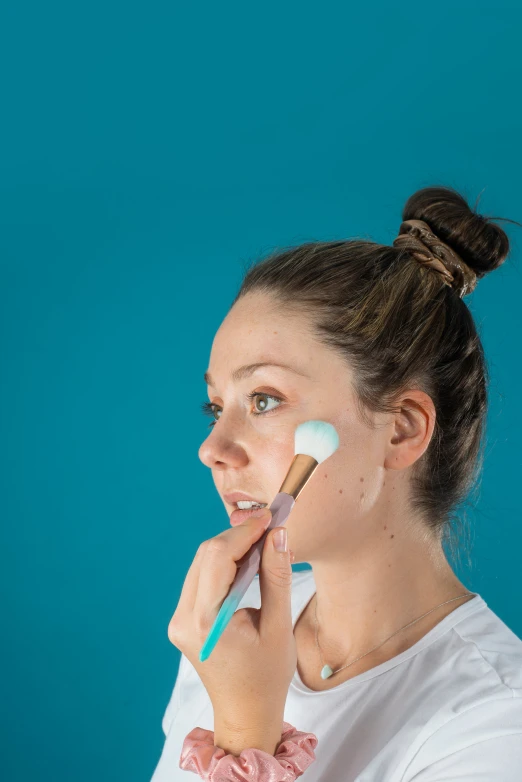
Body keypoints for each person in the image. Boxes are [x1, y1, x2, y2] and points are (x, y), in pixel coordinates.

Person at [151, 185, 522, 781]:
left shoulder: (498, 726)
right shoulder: (229, 636)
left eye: (265, 399)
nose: (212, 449)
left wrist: (247, 728)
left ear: (401, 430)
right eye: (214, 407)